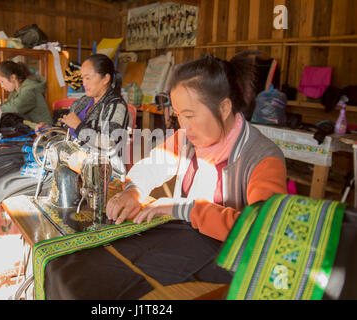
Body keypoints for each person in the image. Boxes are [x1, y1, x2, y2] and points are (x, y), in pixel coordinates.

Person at [106, 52, 288, 242]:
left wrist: (184, 209)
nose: (184, 125)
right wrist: (133, 191)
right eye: (178, 116)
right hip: (187, 248)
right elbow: (152, 166)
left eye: (190, 115)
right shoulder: (186, 139)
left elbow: (264, 230)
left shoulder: (262, 158)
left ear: (224, 108)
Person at [0, 60, 53, 126]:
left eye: (2, 81)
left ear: (13, 77)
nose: (1, 86)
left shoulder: (29, 90)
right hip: (31, 129)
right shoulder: (15, 92)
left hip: (44, 131)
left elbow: (16, 108)